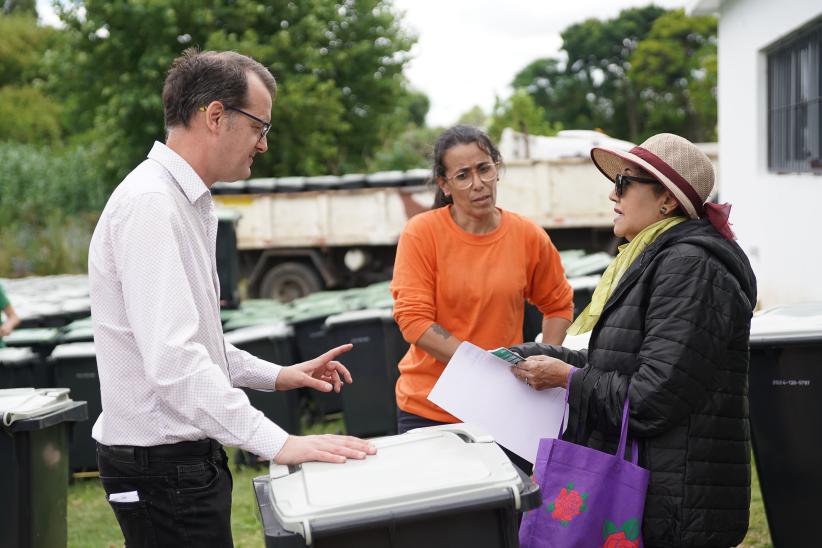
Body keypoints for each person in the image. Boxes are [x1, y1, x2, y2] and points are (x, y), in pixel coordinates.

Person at [88, 49, 375, 547]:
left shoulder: (187, 200)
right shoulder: (152, 205)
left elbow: (199, 340)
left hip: (180, 462)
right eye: (260, 127)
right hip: (161, 467)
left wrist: (280, 376)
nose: (263, 144)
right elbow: (175, 363)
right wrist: (279, 442)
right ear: (215, 115)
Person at [509, 133, 756, 547]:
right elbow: (621, 363)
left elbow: (651, 399)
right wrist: (539, 355)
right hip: (659, 491)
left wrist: (567, 378)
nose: (612, 194)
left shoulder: (690, 266)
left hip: (676, 505)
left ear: (667, 201)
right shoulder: (658, 257)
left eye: (624, 183)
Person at [390, 125, 574, 442]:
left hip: (505, 408)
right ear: (444, 185)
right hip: (430, 409)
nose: (478, 184)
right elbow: (414, 321)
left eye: (484, 169)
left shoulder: (527, 235)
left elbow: (557, 304)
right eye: (463, 176)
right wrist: (482, 367)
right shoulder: (422, 233)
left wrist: (547, 359)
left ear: (496, 169)